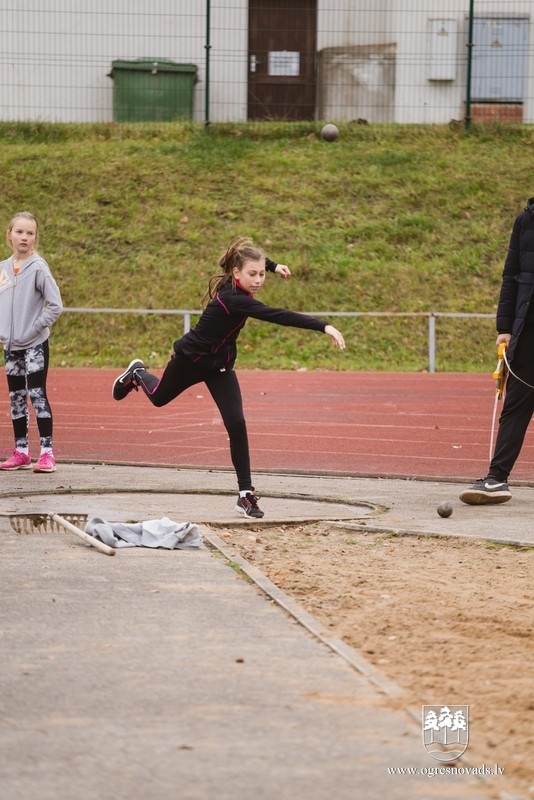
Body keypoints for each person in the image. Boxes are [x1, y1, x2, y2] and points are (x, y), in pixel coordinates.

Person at [112, 236, 345, 518]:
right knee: (159, 398)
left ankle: (245, 495)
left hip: (219, 365)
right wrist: (324, 326)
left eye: (261, 274)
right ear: (236, 274)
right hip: (190, 361)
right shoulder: (233, 300)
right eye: (253, 274)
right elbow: (278, 315)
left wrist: (273, 265)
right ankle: (137, 372)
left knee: (236, 423)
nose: (258, 280)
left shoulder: (241, 283)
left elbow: (250, 259)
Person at [460, 197, 534, 505]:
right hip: (527, 328)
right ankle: (496, 478)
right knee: (516, 404)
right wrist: (504, 327)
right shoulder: (526, 220)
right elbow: (511, 276)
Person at [0, 211, 63, 473]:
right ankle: (22, 451)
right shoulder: (3, 268)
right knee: (16, 398)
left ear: (35, 237)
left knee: (36, 394)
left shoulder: (38, 267)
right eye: (19, 232)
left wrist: (34, 328)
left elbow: (55, 306)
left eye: (30, 233)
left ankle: (47, 453)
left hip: (34, 344)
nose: (24, 237)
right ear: (9, 235)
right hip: (10, 346)